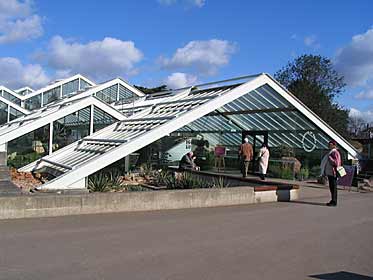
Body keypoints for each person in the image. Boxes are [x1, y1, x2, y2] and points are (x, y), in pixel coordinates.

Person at [320, 140, 342, 207]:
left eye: (330, 144)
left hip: (333, 173)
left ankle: (334, 202)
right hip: (330, 173)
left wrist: (330, 158)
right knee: (331, 187)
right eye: (329, 144)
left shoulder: (335, 152)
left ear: (334, 145)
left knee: (333, 188)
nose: (329, 146)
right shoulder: (330, 152)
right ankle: (332, 200)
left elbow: (336, 163)